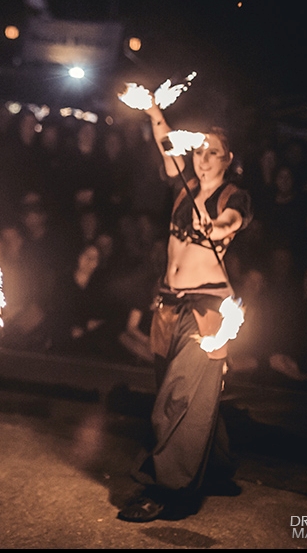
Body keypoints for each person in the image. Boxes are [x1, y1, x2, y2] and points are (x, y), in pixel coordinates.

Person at [116, 100, 252, 523]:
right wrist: (154, 110)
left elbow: (233, 220)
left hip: (206, 310)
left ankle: (165, 487)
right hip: (169, 303)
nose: (204, 157)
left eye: (214, 151)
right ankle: (216, 467)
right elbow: (165, 145)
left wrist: (220, 226)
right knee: (185, 393)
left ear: (229, 159)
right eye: (199, 150)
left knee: (179, 396)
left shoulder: (234, 195)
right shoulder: (184, 188)